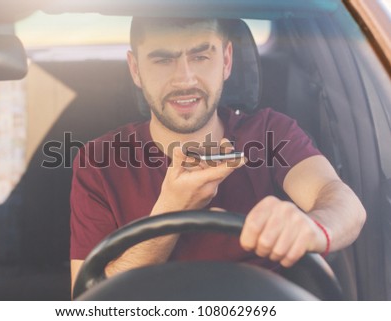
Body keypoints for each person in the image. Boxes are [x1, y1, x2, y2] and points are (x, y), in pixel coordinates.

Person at [69, 17, 366, 290]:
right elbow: (86, 298)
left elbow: (341, 200)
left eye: (200, 56)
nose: (184, 79)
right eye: (162, 60)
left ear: (226, 60)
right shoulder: (99, 160)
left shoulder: (269, 132)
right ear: (135, 69)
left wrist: (312, 228)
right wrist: (172, 208)